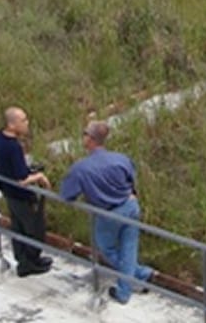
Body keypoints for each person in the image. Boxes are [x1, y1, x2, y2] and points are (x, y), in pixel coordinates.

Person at [60, 120, 155, 304]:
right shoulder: (121, 159)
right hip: (130, 207)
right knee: (129, 247)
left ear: (91, 139)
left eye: (84, 133)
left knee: (107, 249)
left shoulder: (81, 168)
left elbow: (67, 195)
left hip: (109, 213)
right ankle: (139, 276)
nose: (83, 136)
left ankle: (128, 287)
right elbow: (131, 180)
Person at [0, 106, 53, 277]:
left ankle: (24, 260)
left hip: (8, 191)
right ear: (12, 125)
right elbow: (21, 179)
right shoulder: (13, 147)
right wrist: (38, 176)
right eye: (23, 120)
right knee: (34, 229)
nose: (27, 123)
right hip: (20, 195)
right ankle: (30, 262)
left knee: (18, 228)